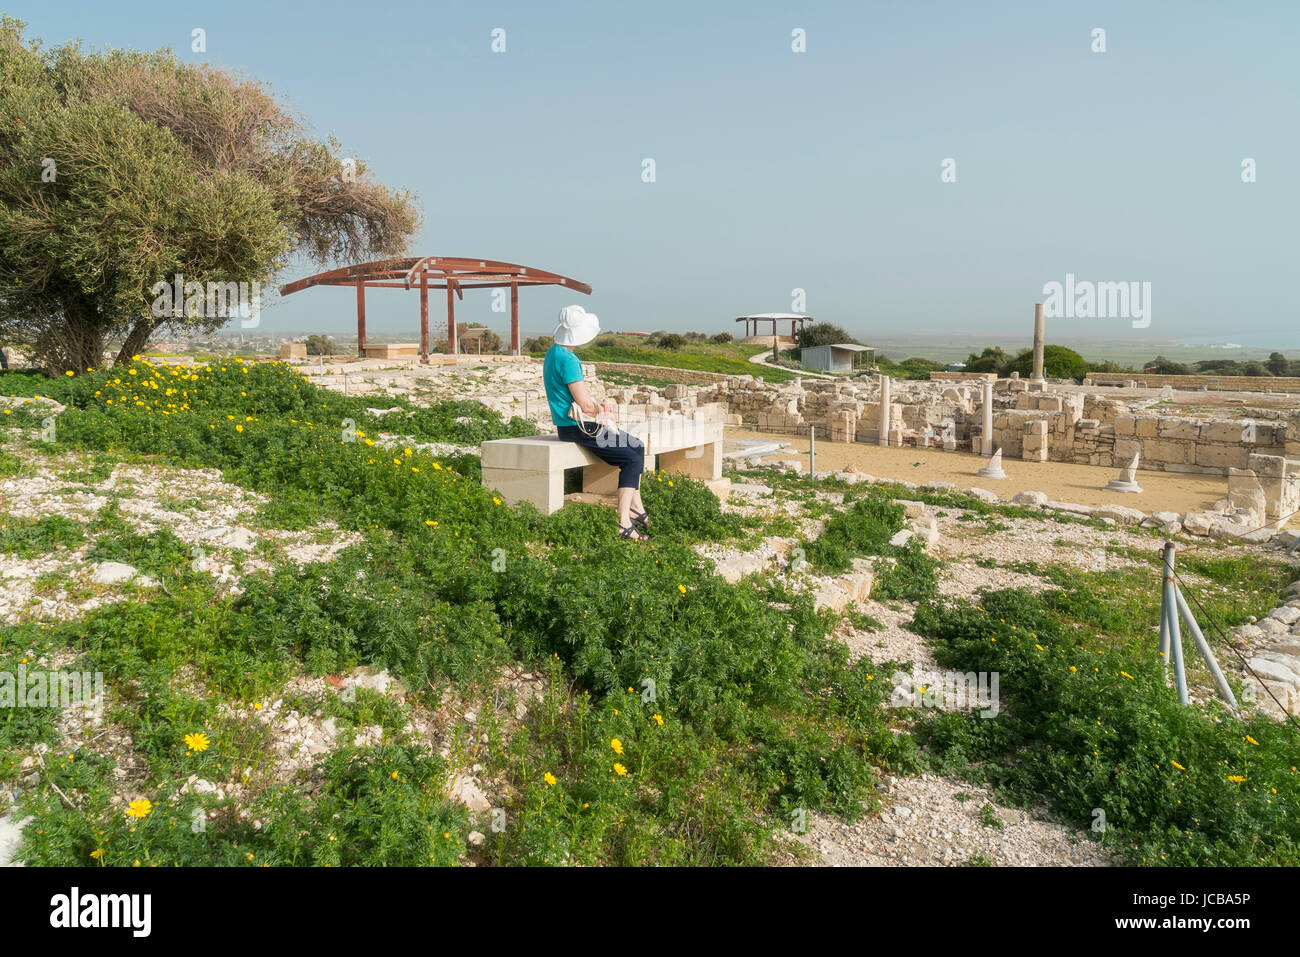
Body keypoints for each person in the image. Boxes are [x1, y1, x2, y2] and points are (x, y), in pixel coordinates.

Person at [544, 305, 649, 540]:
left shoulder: (553, 352)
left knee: (638, 446)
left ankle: (636, 508)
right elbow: (583, 403)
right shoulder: (569, 360)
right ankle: (623, 523)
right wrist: (603, 414)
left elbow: (573, 396)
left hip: (569, 425)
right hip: (579, 428)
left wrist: (598, 409)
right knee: (630, 459)